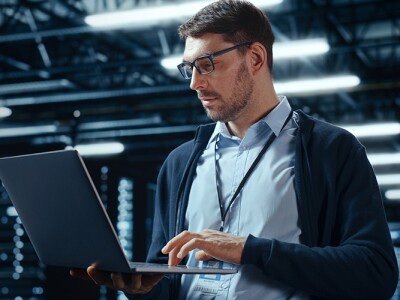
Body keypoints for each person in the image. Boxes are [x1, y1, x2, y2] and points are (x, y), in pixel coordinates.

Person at [71, 0, 399, 299]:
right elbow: (169, 282)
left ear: (255, 57)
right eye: (189, 68)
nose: (194, 83)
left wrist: (248, 249)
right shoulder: (180, 163)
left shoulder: (330, 150)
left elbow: (375, 273)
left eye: (207, 64)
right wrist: (138, 288)